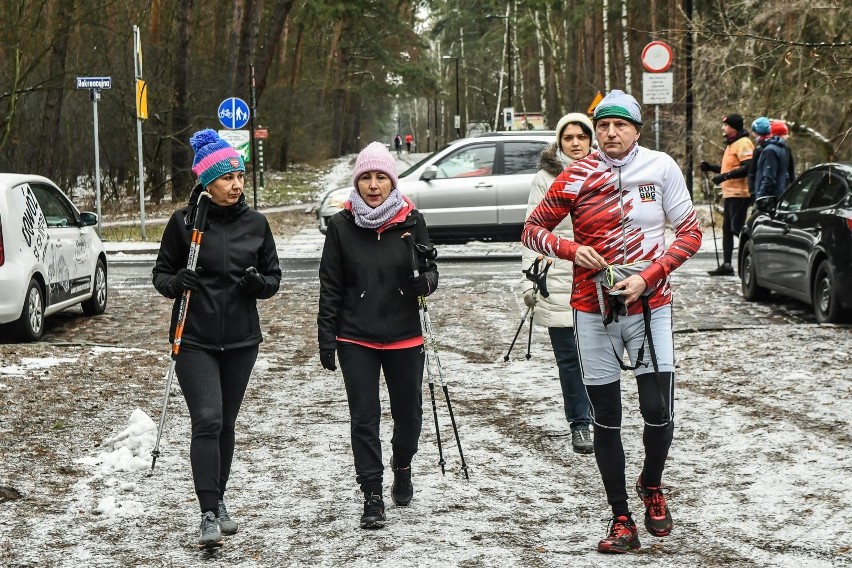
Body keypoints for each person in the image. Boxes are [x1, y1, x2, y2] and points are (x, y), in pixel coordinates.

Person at [522, 90, 702, 554]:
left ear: (637, 130)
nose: (610, 132)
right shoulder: (577, 174)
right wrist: (569, 249)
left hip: (650, 303)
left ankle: (652, 484)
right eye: (603, 125)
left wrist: (649, 275)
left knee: (658, 410)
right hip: (591, 307)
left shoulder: (660, 168)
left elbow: (690, 232)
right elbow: (531, 230)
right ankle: (621, 517)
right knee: (607, 418)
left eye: (620, 125)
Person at [152, 129, 282, 548]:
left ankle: (219, 499)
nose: (236, 185)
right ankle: (208, 512)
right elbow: (160, 276)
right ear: (208, 183)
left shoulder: (256, 224)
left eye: (240, 176)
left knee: (226, 422)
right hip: (194, 338)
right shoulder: (184, 223)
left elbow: (274, 279)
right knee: (207, 419)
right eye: (227, 178)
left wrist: (257, 283)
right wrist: (178, 282)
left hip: (242, 340)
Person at [317, 141, 438, 530]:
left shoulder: (411, 220)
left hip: (405, 335)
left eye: (380, 177)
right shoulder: (341, 226)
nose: (373, 185)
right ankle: (372, 493)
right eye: (366, 177)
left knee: (409, 416)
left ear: (392, 181)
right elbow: (330, 285)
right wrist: (327, 337)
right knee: (364, 419)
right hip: (356, 337)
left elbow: (431, 266)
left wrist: (427, 282)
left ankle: (402, 465)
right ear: (357, 182)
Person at [521, 112, 595, 454]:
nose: (576, 143)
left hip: (599, 279)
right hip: (559, 277)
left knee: (598, 357)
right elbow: (531, 231)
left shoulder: (607, 173)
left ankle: (602, 417)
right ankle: (579, 423)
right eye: (569, 138)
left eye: (582, 136)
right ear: (559, 142)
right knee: (569, 358)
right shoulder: (545, 178)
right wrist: (529, 279)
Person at [699, 113, 754, 276]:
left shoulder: (744, 143)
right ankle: (727, 265)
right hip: (730, 193)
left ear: (733, 127)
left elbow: (747, 168)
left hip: (741, 193)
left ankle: (756, 255)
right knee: (727, 230)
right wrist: (711, 168)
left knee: (736, 229)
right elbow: (729, 168)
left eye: (725, 125)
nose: (722, 127)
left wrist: (724, 177)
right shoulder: (732, 144)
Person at [755, 121, 791, 199]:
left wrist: (760, 196)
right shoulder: (782, 149)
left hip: (770, 197)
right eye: (785, 134)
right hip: (779, 194)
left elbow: (769, 178)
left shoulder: (770, 150)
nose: (788, 136)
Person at [746, 116, 771, 198]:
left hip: (760, 192)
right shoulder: (779, 147)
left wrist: (753, 191)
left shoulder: (759, 150)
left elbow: (752, 172)